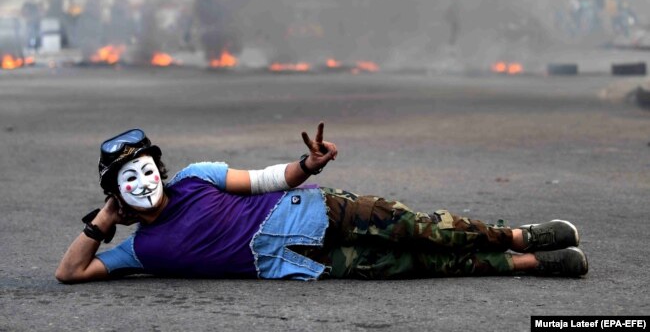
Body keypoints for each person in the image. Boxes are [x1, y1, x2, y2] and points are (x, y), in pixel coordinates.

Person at [55, 124, 588, 283]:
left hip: (313, 209)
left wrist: (308, 166)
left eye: (147, 168)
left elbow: (266, 179)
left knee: (425, 230)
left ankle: (520, 235)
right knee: (412, 266)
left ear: (161, 168)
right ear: (116, 192)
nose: (144, 181)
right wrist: (104, 221)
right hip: (299, 264)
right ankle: (530, 264)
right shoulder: (142, 250)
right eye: (129, 178)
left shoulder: (196, 178)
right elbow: (70, 273)